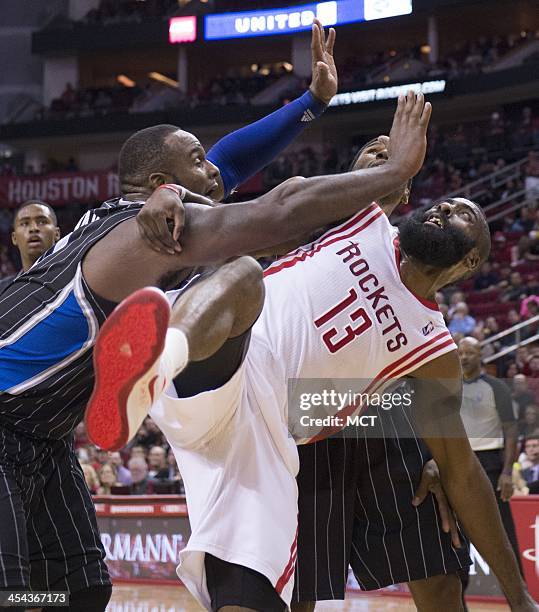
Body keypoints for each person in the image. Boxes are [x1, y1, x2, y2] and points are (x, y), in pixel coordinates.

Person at [87, 110, 533, 610]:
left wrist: (520, 599)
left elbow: (461, 468)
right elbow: (268, 204)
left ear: (471, 261)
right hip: (236, 369)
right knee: (242, 275)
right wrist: (169, 191)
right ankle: (152, 364)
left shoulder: (434, 348)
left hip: (284, 436)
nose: (442, 210)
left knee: (256, 594)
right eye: (444, 204)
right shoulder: (359, 219)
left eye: (460, 215)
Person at [0, 21, 342, 611]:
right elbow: (262, 201)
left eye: (43, 222)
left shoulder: (143, 224)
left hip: (46, 436)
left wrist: (310, 103)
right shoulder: (137, 234)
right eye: (196, 164)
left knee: (78, 594)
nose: (215, 171)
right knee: (16, 593)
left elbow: (228, 160)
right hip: (9, 419)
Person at [290, 137, 470, 612]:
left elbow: (431, 386)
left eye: (395, 158)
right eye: (374, 150)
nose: (383, 157)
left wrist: (439, 455)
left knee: (438, 575)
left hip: (386, 431)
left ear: (405, 189)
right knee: (297, 591)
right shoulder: (297, 219)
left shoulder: (407, 258)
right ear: (350, 169)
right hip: (303, 428)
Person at [457, 337, 522, 588]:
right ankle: (457, 600)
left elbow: (512, 430)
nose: (464, 357)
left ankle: (520, 595)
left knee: (503, 533)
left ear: (480, 355)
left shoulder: (497, 387)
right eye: (461, 352)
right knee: (457, 535)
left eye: (470, 352)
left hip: (491, 462)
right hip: (460, 462)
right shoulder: (450, 387)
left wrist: (507, 471)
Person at [0, 199, 60, 291]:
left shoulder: (77, 282)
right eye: (24, 223)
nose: (33, 228)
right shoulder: (3, 290)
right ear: (14, 238)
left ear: (57, 233)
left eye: (42, 222)